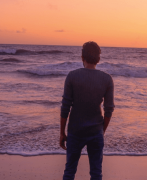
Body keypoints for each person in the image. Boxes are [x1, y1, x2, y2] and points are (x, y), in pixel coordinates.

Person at [60, 41, 115, 180]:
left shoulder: (72, 76)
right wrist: (102, 131)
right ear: (98, 59)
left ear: (82, 57)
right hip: (95, 130)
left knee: (69, 171)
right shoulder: (107, 79)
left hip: (75, 130)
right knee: (96, 173)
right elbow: (109, 109)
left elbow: (65, 106)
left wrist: (62, 132)